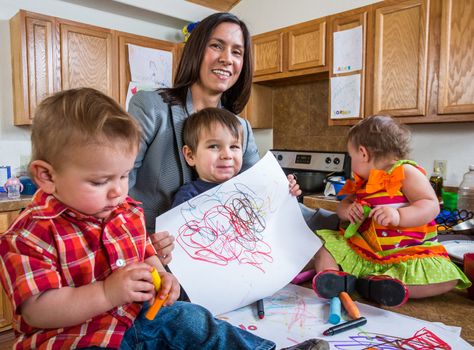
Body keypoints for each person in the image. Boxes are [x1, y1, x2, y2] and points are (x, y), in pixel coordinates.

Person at [0, 88, 316, 349]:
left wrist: (164, 278)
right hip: (73, 339)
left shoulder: (127, 211)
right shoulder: (28, 234)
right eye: (99, 181)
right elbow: (38, 310)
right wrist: (108, 292)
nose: (117, 191)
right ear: (46, 175)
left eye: (124, 176)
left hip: (140, 321)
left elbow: (147, 256)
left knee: (194, 320)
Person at [127, 12, 259, 266]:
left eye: (237, 52)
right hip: (147, 258)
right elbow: (116, 191)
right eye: (216, 45)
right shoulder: (150, 107)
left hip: (216, 261)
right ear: (197, 50)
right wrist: (143, 243)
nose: (226, 58)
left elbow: (260, 193)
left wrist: (333, 218)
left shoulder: (241, 127)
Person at [311, 115, 470, 307]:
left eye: (350, 156)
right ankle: (334, 278)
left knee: (447, 280)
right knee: (324, 245)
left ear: (363, 154)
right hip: (363, 251)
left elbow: (430, 204)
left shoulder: (405, 173)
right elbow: (342, 206)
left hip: (406, 253)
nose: (351, 162)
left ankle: (377, 286)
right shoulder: (362, 181)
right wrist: (348, 210)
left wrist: (399, 215)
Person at [172, 107, 301, 207]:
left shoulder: (252, 188)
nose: (227, 155)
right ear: (190, 155)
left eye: (234, 147)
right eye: (214, 146)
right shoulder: (187, 197)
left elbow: (273, 215)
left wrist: (286, 193)